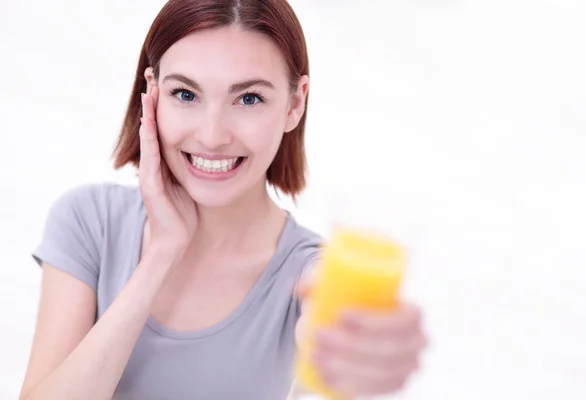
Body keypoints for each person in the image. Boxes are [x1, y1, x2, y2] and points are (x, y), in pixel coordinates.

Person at [19, 1, 428, 399]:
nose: (213, 136)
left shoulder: (310, 270)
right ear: (152, 94)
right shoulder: (90, 221)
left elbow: (332, 326)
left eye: (248, 98)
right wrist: (161, 253)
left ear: (295, 103)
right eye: (186, 94)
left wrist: (365, 348)